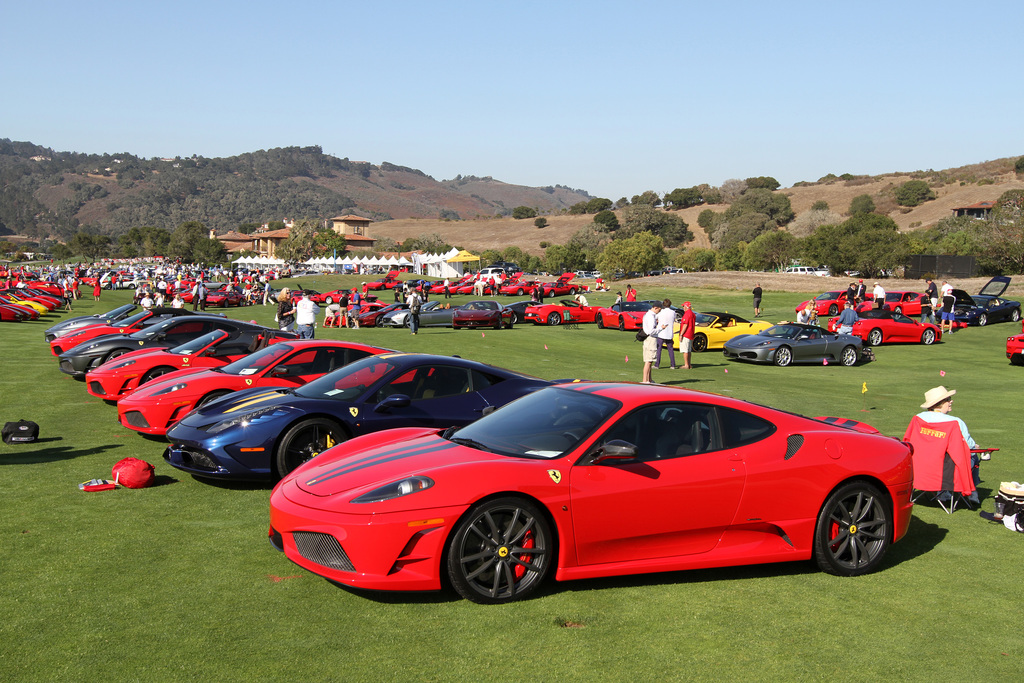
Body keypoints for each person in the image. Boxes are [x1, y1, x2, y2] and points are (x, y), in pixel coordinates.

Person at [915, 386, 982, 501]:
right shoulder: (955, 422)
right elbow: (969, 445)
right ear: (940, 403)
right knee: (974, 455)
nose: (951, 401)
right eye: (948, 399)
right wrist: (974, 447)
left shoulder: (918, 419)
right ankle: (972, 491)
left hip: (920, 469)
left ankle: (944, 492)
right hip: (946, 472)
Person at [641, 301, 662, 384]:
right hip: (651, 339)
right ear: (655, 308)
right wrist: (661, 328)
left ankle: (649, 379)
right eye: (659, 310)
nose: (659, 312)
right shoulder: (650, 316)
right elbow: (651, 331)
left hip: (648, 339)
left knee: (650, 360)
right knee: (648, 361)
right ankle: (645, 380)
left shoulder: (649, 315)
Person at [654, 299, 678, 370]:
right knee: (670, 349)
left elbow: (656, 318)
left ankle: (657, 364)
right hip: (669, 332)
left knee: (659, 348)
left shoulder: (661, 312)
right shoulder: (673, 312)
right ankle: (673, 364)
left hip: (661, 332)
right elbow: (674, 319)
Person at [678, 301, 696, 369]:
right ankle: (689, 364)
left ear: (686, 307)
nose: (683, 308)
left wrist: (681, 334)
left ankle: (686, 365)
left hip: (686, 334)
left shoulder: (687, 314)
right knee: (688, 350)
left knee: (685, 350)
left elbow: (685, 324)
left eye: (683, 306)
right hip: (691, 334)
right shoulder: (693, 314)